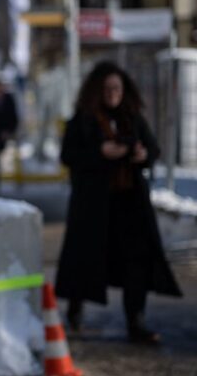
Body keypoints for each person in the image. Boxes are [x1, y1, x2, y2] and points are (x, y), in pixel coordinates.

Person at [54, 61, 182, 344]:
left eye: (117, 88)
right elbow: (68, 155)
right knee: (85, 260)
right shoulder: (83, 120)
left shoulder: (131, 118)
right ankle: (75, 311)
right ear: (96, 91)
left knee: (136, 262)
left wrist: (142, 155)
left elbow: (153, 148)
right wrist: (100, 152)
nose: (113, 94)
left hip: (130, 204)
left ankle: (136, 321)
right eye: (107, 89)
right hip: (93, 206)